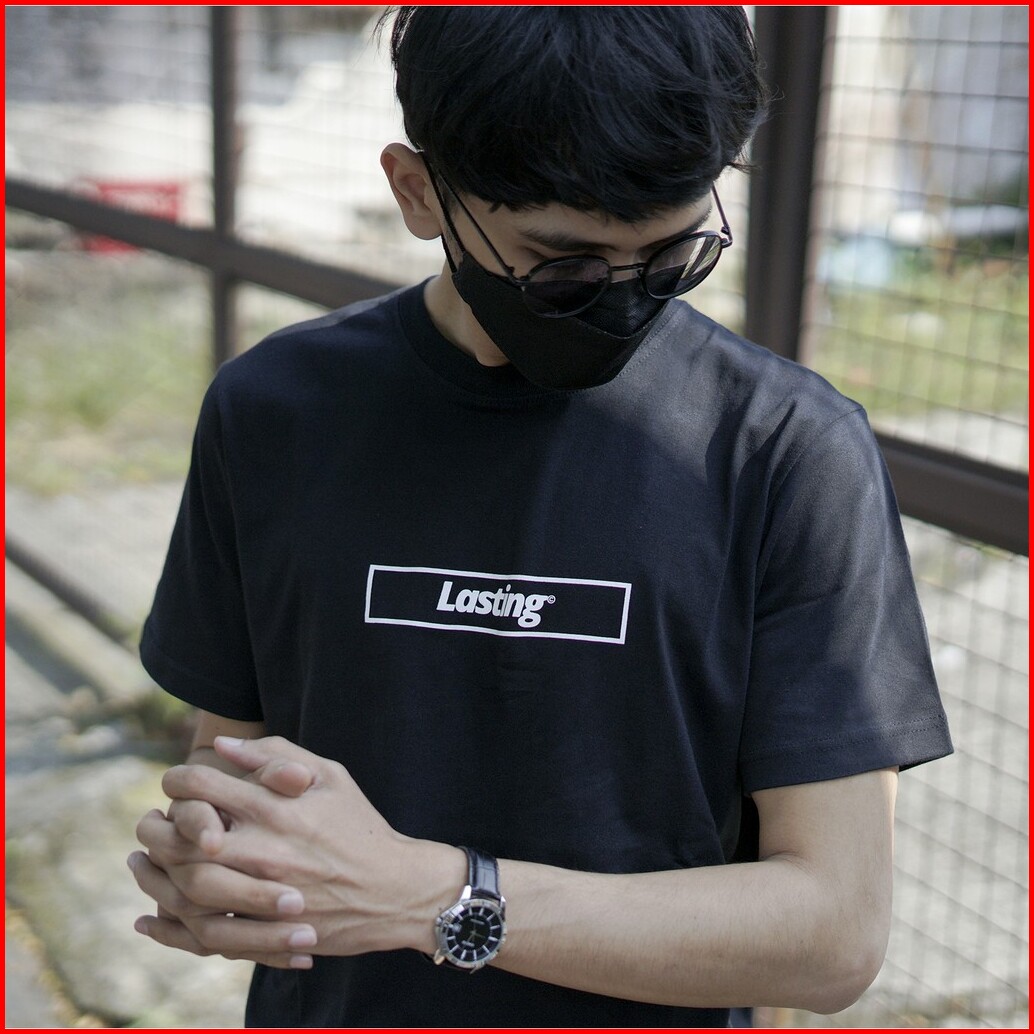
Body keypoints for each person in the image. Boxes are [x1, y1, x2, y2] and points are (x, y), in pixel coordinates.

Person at [128, 6, 953, 1028]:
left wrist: (440, 898)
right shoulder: (276, 411)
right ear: (417, 192)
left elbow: (834, 934)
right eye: (563, 267)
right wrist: (215, 859)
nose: (622, 302)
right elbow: (234, 772)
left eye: (671, 258)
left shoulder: (785, 452)